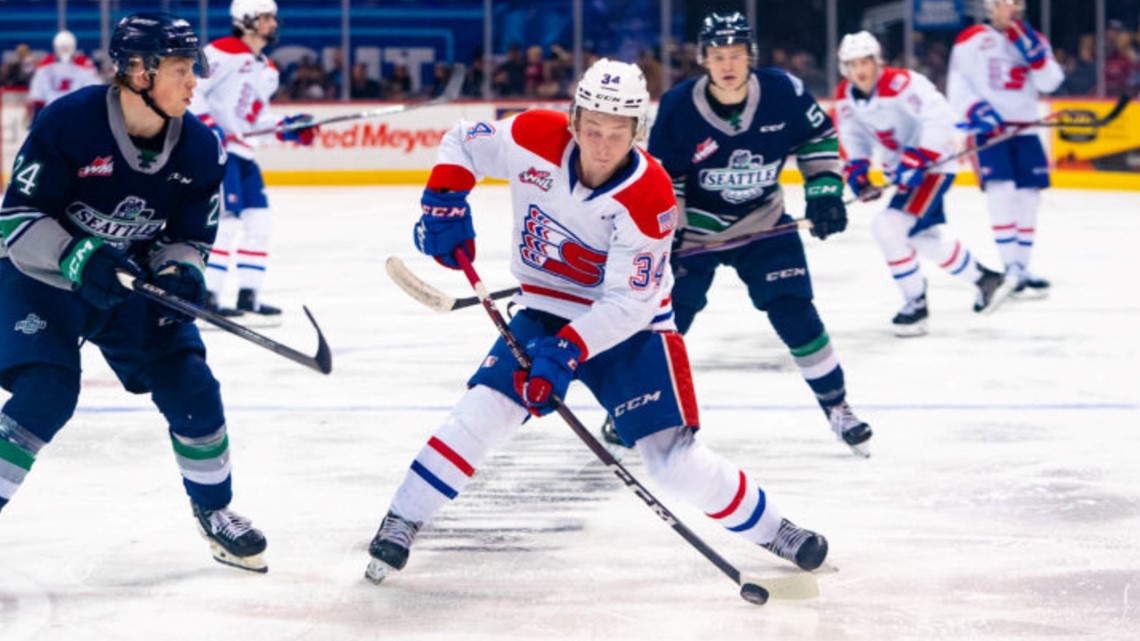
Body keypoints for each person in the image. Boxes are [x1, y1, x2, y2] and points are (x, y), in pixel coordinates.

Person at [364, 59, 829, 586]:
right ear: (573, 120)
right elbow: (464, 140)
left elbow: (627, 305)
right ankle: (403, 518)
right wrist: (444, 201)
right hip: (543, 309)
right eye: (591, 130)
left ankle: (777, 531)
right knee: (480, 415)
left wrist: (566, 350)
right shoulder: (532, 134)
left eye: (616, 133)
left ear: (638, 131)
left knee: (671, 459)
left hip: (631, 329)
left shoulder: (649, 196)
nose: (602, 146)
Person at [0, 13, 267, 572]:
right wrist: (77, 255)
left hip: (129, 286)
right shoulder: (68, 123)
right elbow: (17, 220)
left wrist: (181, 272)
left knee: (191, 384)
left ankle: (216, 512)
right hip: (41, 279)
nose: (193, 81)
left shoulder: (199, 149)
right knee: (46, 392)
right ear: (137, 72)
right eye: (180, 69)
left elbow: (190, 238)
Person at [623, 11, 871, 455]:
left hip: (764, 223)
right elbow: (663, 176)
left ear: (750, 56)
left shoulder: (783, 92)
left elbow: (817, 139)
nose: (728, 64)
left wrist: (825, 193)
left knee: (795, 313)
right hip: (696, 232)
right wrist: (672, 230)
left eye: (736, 54)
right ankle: (631, 408)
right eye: (718, 55)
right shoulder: (679, 106)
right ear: (703, 59)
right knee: (667, 322)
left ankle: (838, 408)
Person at [834, 31, 1015, 336]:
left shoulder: (903, 84)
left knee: (888, 227)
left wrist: (920, 156)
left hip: (934, 167)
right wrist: (858, 171)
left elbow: (939, 116)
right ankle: (985, 278)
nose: (860, 70)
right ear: (845, 68)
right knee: (919, 236)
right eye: (853, 65)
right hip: (904, 172)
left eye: (865, 62)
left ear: (877, 62)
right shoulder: (845, 97)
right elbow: (853, 136)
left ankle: (915, 305)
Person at [189, 0, 319, 317]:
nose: (273, 23)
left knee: (259, 223)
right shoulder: (222, 51)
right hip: (222, 154)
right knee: (227, 222)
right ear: (247, 20)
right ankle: (209, 295)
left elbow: (253, 123)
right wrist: (210, 128)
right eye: (266, 18)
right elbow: (191, 89)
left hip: (244, 154)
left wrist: (286, 128)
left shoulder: (268, 70)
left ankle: (249, 294)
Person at [947, 0, 1063, 299]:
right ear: (990, 7)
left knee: (1029, 197)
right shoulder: (973, 38)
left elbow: (1051, 81)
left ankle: (1021, 269)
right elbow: (958, 84)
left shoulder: (1032, 38)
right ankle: (1009, 266)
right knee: (1001, 192)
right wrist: (977, 111)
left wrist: (1031, 50)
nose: (1008, 8)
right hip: (990, 130)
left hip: (1025, 128)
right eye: (1001, 2)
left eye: (1013, 2)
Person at [27, 30, 103, 122]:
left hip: (57, 114)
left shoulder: (45, 64)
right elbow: (95, 92)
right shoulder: (84, 64)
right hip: (72, 114)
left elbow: (37, 97)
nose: (64, 50)